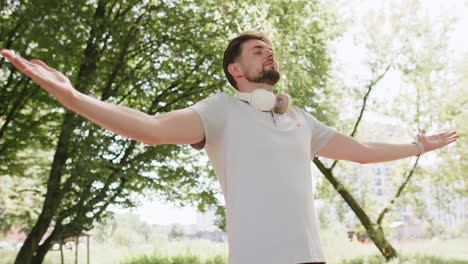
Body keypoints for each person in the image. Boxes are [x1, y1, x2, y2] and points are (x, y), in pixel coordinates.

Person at [0, 31, 458, 264]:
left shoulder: (298, 118)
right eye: (258, 50)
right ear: (235, 70)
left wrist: (417, 145)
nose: (269, 54)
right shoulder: (219, 110)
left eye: (270, 49)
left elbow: (360, 149)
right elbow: (150, 128)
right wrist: (72, 96)